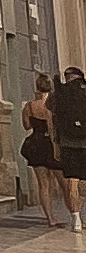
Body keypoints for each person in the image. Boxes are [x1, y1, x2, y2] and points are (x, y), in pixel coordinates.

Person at [22, 73, 73, 226]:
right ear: (51, 87)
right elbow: (56, 127)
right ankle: (74, 215)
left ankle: (50, 218)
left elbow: (27, 126)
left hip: (37, 144)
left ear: (37, 87)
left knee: (44, 184)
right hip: (52, 144)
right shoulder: (55, 105)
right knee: (65, 184)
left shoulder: (30, 106)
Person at [53, 64, 86, 226]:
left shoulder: (59, 93)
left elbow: (52, 118)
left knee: (73, 179)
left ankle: (76, 219)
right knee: (84, 181)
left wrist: (56, 144)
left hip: (67, 142)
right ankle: (82, 215)